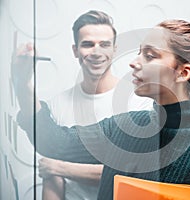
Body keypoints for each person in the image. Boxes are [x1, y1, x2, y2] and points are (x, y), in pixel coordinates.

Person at [13, 19, 190, 200]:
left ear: (182, 72)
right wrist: (23, 85)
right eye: (139, 53)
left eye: (150, 55)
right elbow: (54, 142)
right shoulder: (125, 129)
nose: (134, 63)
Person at [13, 10, 152, 200]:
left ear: (114, 49)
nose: (96, 52)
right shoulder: (58, 104)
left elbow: (131, 172)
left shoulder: (140, 102)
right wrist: (23, 83)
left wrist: (61, 166)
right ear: (75, 50)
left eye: (104, 44)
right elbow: (51, 173)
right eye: (88, 44)